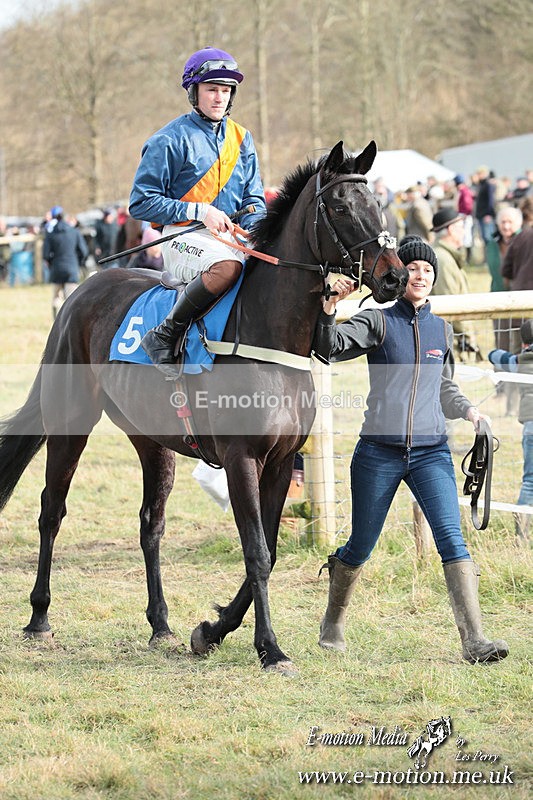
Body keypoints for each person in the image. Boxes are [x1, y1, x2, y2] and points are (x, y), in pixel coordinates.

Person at [312, 235, 508, 664]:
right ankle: (333, 623)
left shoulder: (442, 330)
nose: (420, 275)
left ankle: (475, 641)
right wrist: (328, 309)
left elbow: (444, 387)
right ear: (399, 274)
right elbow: (329, 347)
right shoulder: (377, 321)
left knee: (452, 538)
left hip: (431, 452)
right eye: (413, 268)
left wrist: (470, 411)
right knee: (361, 545)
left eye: (427, 270)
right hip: (378, 453)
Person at [129, 46, 266, 376]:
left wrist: (258, 230)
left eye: (225, 90)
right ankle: (165, 334)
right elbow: (140, 202)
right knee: (227, 268)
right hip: (182, 236)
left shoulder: (242, 139)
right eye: (212, 89)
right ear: (194, 92)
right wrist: (199, 211)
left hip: (231, 238)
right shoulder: (168, 140)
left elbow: (254, 199)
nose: (219, 97)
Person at [489, 320, 533, 545]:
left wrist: (518, 354)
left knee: (530, 481)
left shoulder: (518, 361)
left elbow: (493, 355)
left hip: (530, 426)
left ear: (524, 343)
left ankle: (521, 535)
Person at [43, 207, 89, 318]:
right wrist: (78, 262)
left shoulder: (51, 234)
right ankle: (70, 320)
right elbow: (84, 251)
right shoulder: (74, 232)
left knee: (56, 297)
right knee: (71, 298)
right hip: (71, 267)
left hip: (56, 268)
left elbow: (46, 254)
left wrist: (51, 263)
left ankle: (56, 321)